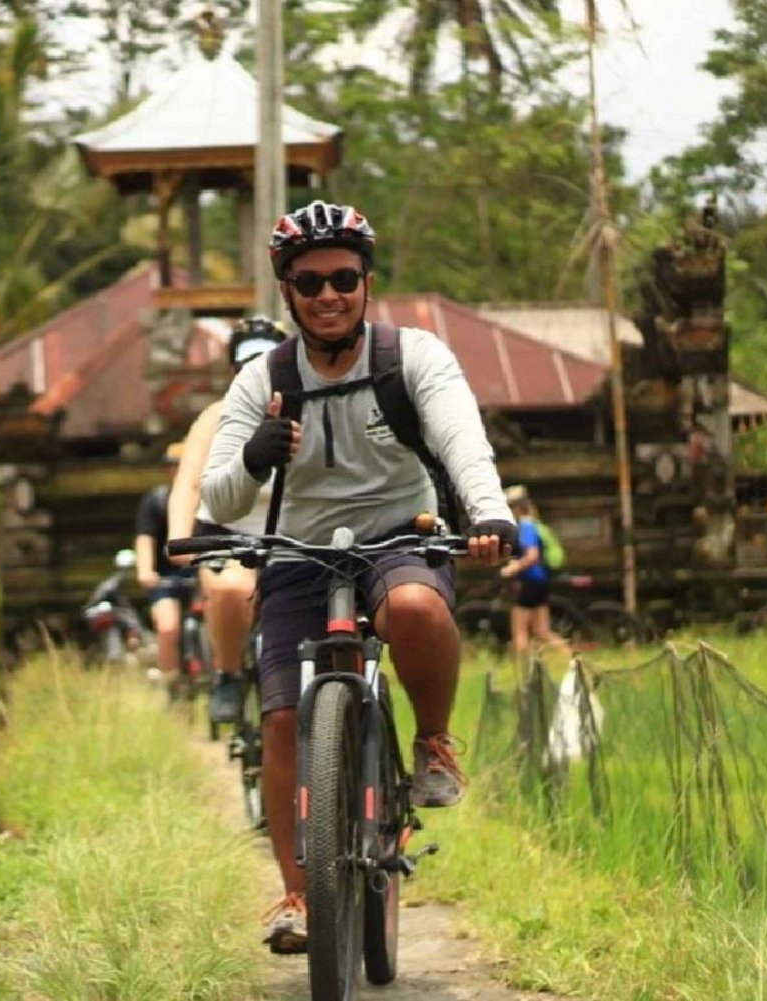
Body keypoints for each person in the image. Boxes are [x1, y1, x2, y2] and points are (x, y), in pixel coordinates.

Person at [200, 200, 516, 954]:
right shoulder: (261, 379)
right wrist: (253, 456)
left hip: (399, 538)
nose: (329, 295)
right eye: (310, 284)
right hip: (297, 554)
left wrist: (489, 513)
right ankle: (297, 896)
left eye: (344, 278)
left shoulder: (415, 359)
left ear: (368, 282)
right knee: (280, 720)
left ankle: (434, 741)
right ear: (289, 295)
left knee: (412, 606)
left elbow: (463, 442)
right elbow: (219, 496)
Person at [168, 316, 287, 725]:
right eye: (246, 365)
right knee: (232, 590)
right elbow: (188, 486)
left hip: (295, 532)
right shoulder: (215, 417)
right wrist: (178, 538)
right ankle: (229, 673)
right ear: (234, 370)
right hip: (229, 533)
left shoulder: (311, 406)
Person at [135, 444, 195, 686]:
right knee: (168, 627)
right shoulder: (156, 502)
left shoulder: (209, 500)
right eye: (173, 466)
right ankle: (172, 685)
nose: (178, 471)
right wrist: (145, 570)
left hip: (202, 574)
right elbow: (144, 539)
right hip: (166, 578)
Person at [498, 485, 570, 661]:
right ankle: (571, 658)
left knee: (520, 632)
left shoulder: (526, 526)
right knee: (542, 631)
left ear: (516, 508)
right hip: (541, 581)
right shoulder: (534, 524)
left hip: (530, 582)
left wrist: (512, 568)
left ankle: (521, 673)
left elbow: (532, 556)